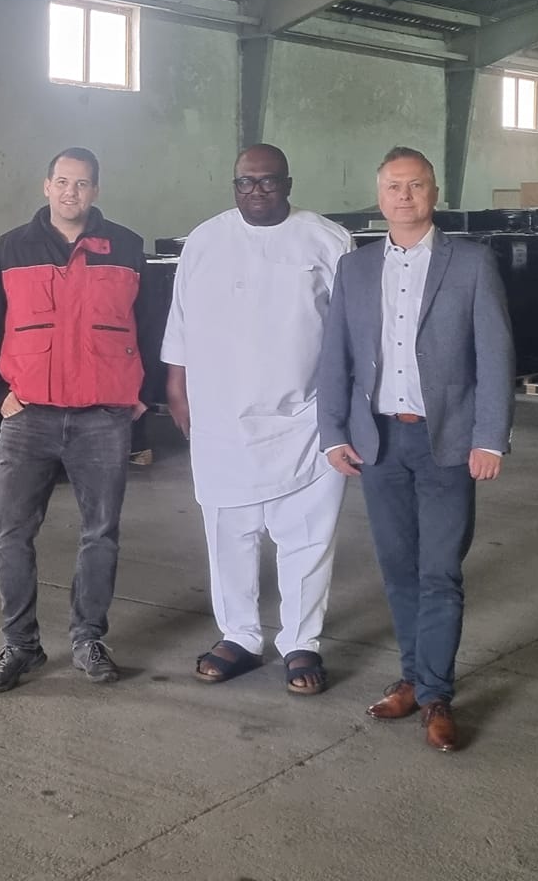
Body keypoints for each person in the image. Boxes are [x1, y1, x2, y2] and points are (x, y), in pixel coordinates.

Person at [317, 146, 514, 753]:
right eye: (393, 186)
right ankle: (412, 677)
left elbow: (495, 355)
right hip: (378, 441)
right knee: (399, 569)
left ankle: (436, 696)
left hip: (446, 440)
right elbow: (336, 357)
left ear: (434, 192)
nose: (404, 196)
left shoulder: (471, 262)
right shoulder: (355, 268)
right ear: (379, 195)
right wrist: (334, 432)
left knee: (440, 572)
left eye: (416, 185)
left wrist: (489, 437)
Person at [163, 145, 354, 695]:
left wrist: (345, 409)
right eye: (245, 182)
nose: (256, 192)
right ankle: (240, 636)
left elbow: (350, 328)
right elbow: (180, 320)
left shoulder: (327, 240)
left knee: (307, 537)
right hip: (221, 416)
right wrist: (176, 386)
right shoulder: (205, 240)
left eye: (268, 182)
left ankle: (301, 641)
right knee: (229, 534)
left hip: (306, 417)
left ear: (288, 184)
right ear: (234, 186)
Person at [0, 147, 150, 694]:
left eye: (83, 183)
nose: (72, 192)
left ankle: (89, 639)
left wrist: (142, 396)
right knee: (11, 534)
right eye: (63, 182)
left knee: (101, 534)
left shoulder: (127, 247)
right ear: (46, 186)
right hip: (28, 418)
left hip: (103, 419)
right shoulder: (12, 249)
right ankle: (21, 645)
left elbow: (154, 324)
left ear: (97, 190)